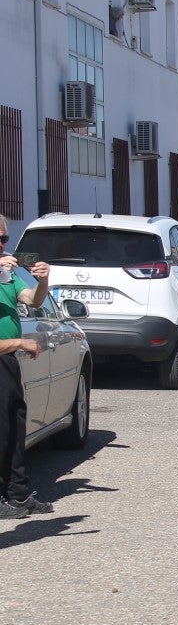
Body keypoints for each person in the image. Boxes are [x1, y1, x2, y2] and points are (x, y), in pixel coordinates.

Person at [0, 214, 54, 518]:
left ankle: (18, 494)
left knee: (15, 425)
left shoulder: (6, 275)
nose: (2, 245)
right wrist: (21, 343)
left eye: (5, 238)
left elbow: (32, 300)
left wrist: (43, 279)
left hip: (7, 362)